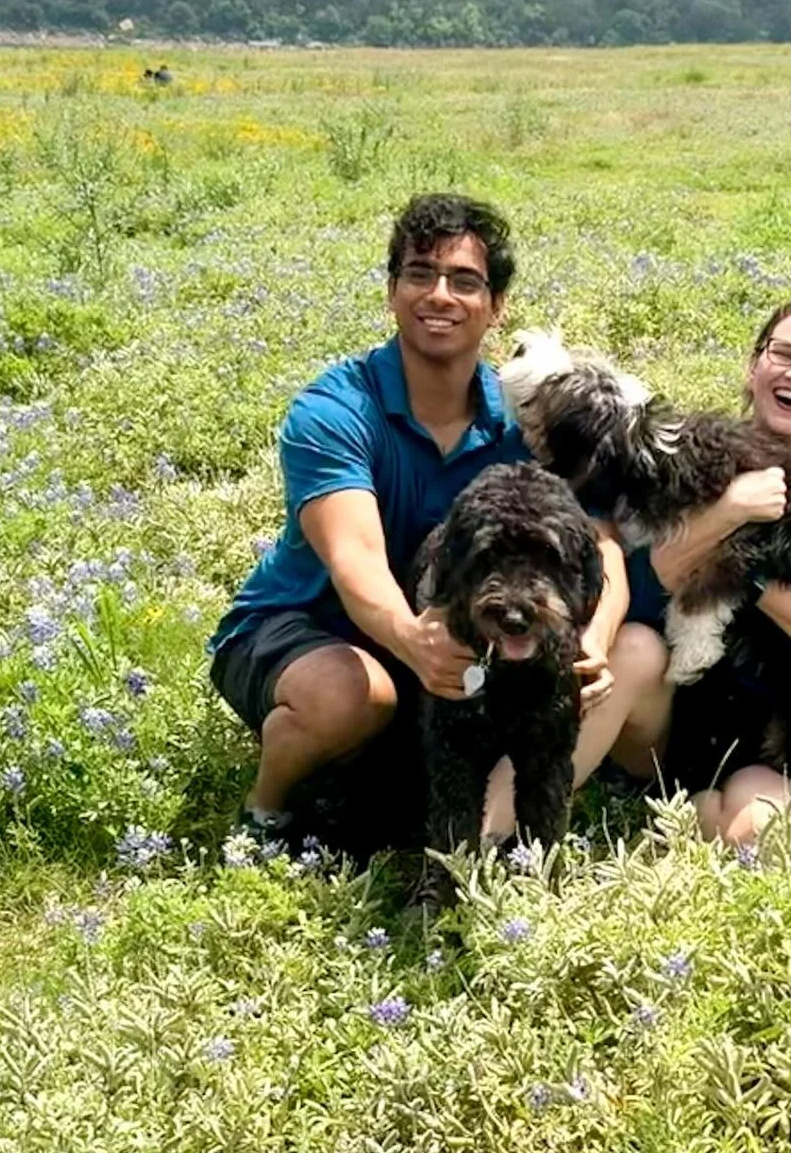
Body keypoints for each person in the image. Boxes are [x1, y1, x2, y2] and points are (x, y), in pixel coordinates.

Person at [209, 194, 651, 845]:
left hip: (449, 630)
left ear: (496, 307)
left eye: (465, 281)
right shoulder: (336, 409)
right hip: (304, 622)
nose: (439, 295)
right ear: (392, 291)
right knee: (354, 697)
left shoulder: (524, 422)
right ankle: (267, 812)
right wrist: (414, 643)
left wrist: (596, 638)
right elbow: (354, 556)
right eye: (420, 274)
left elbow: (600, 543)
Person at [608, 297, 791, 847]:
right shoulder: (700, 458)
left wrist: (741, 575)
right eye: (784, 352)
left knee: (750, 836)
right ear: (755, 367)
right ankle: (513, 830)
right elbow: (636, 600)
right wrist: (728, 512)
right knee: (630, 647)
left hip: (790, 733)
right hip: (684, 719)